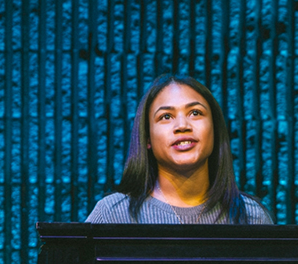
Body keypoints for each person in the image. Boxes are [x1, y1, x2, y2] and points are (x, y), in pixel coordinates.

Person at [85, 74, 272, 224]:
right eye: (166, 116)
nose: (182, 125)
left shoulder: (251, 217)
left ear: (214, 129)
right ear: (147, 138)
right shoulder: (113, 215)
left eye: (195, 113)